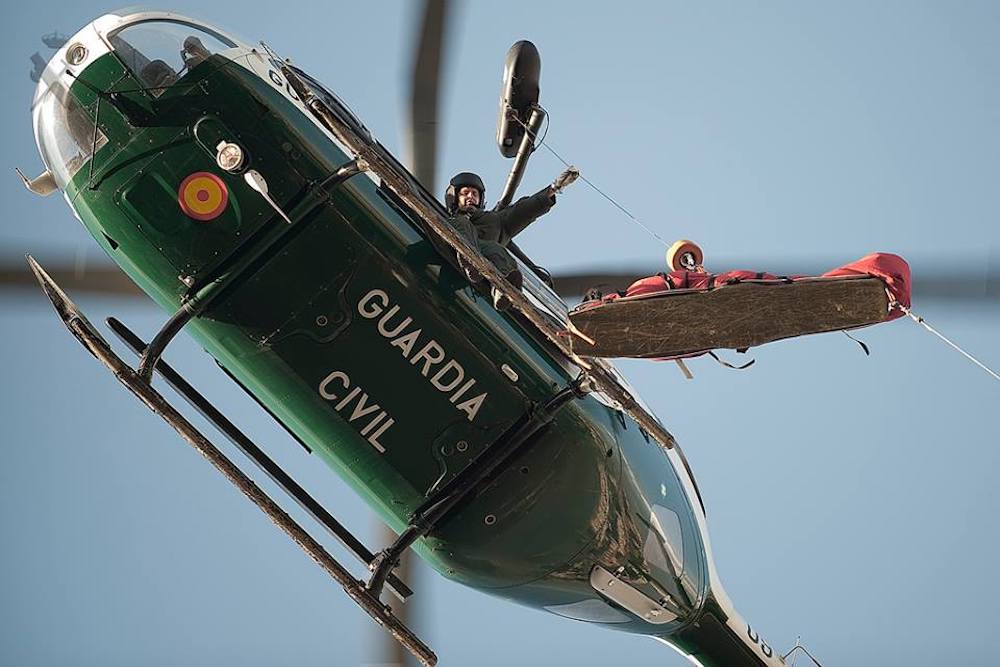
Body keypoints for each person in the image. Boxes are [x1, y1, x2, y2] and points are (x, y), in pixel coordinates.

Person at [446, 167, 578, 310]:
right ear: (454, 197)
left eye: (474, 194)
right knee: (460, 222)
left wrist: (554, 188)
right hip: (456, 252)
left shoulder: (493, 221)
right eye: (465, 193)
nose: (470, 197)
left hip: (483, 262)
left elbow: (521, 211)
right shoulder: (448, 221)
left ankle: (504, 290)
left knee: (497, 250)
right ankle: (470, 259)